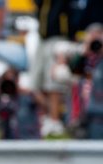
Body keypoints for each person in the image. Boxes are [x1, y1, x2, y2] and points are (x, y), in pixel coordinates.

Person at [30, 0, 75, 136]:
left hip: (58, 38)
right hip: (42, 38)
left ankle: (55, 120)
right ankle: (52, 116)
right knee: (35, 84)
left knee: (53, 84)